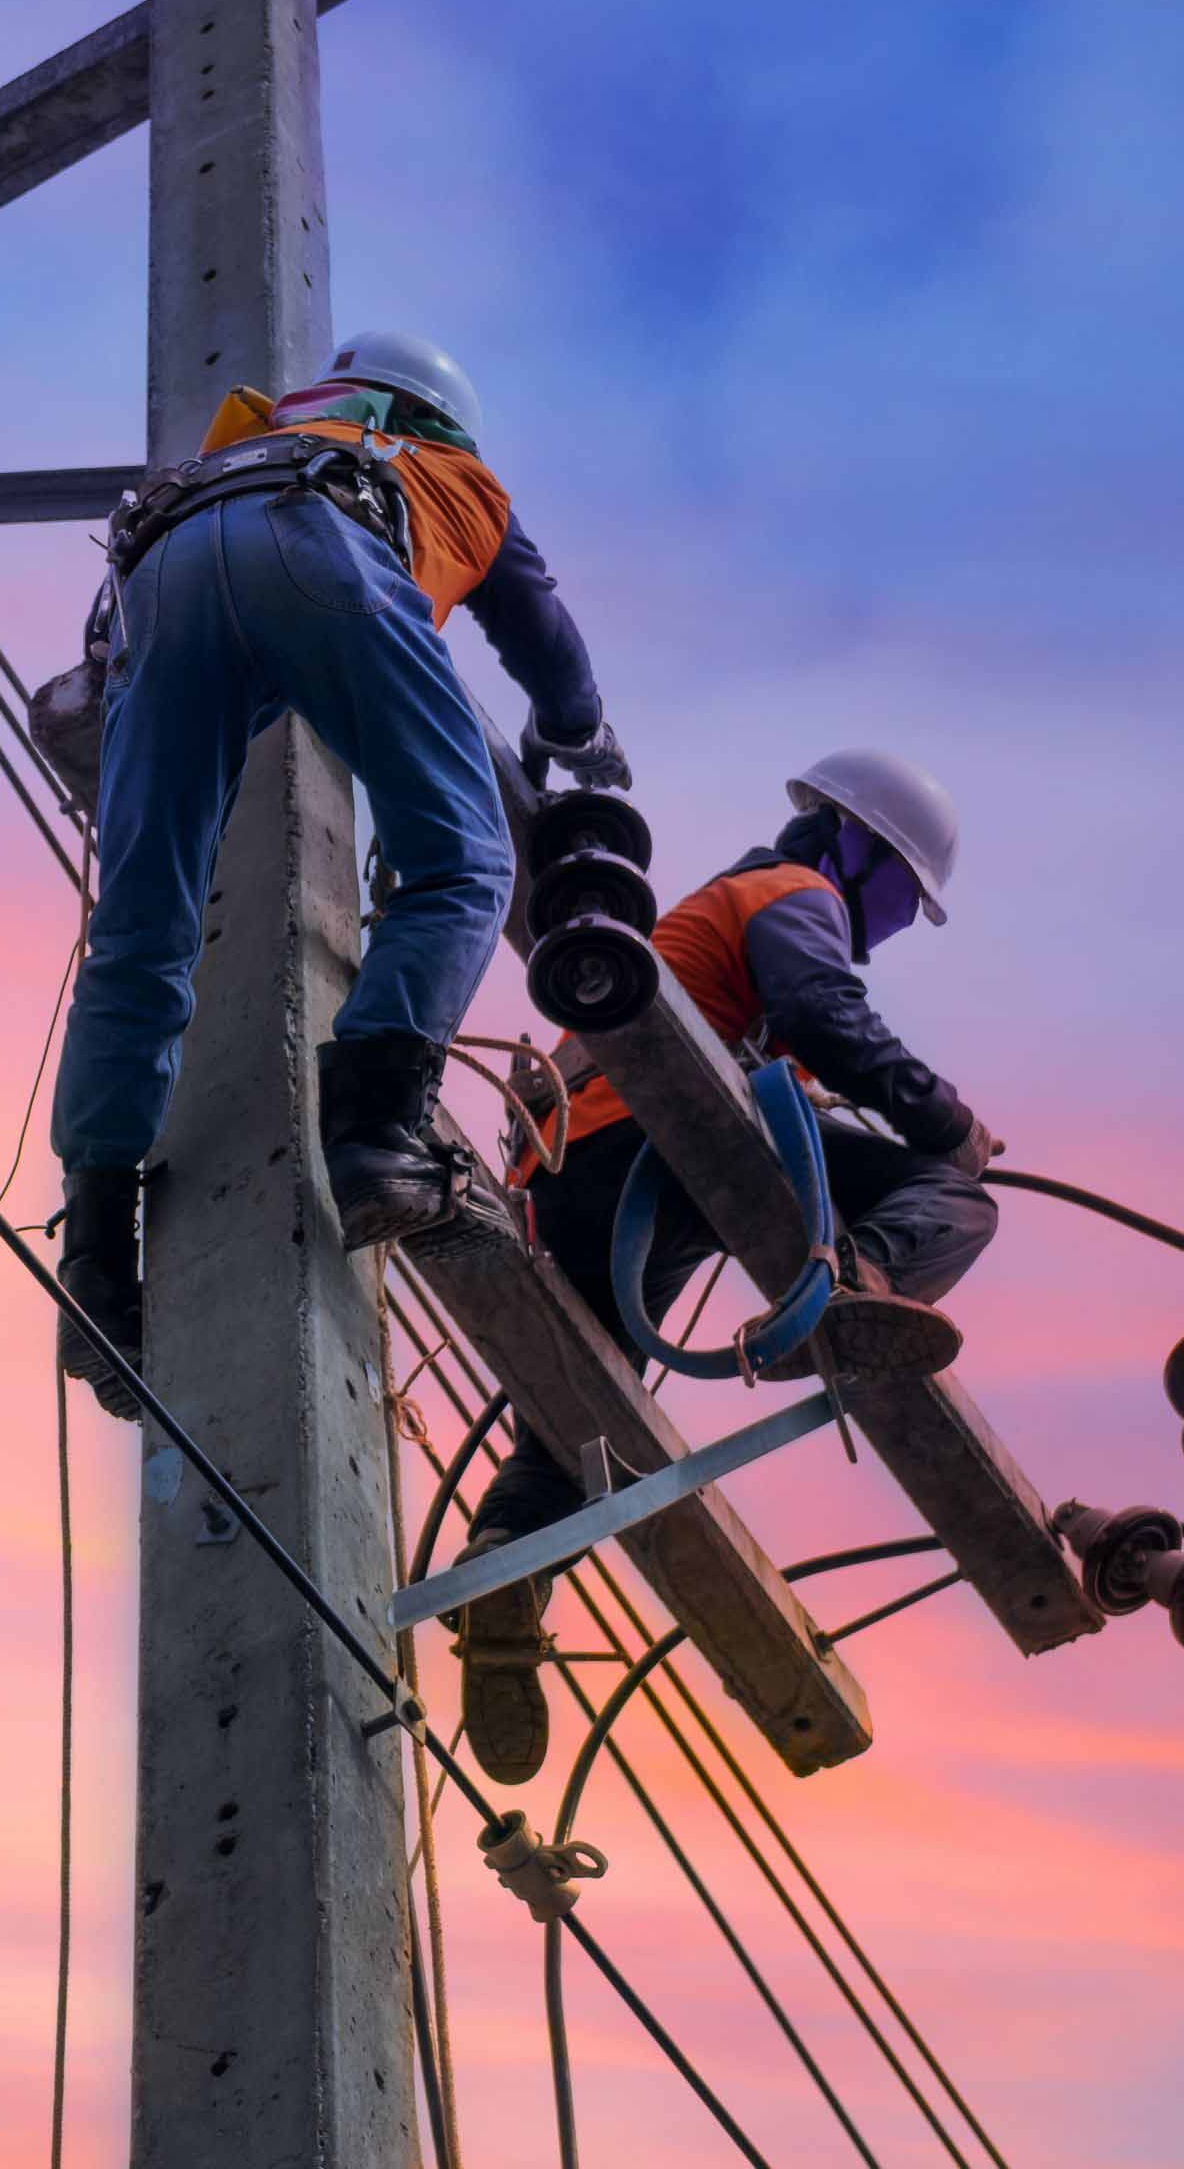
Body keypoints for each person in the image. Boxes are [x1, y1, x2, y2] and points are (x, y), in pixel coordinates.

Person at [43, 326, 626, 1419]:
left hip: (164, 569)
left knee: (139, 931)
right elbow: (541, 634)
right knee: (463, 855)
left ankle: (96, 1257)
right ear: (442, 418)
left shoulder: (258, 433)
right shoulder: (453, 474)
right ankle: (375, 1138)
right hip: (321, 539)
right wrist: (582, 735)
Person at [451, 748, 999, 1781]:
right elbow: (823, 1015)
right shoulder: (792, 893)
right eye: (898, 896)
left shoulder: (721, 921)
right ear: (857, 847)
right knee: (957, 1199)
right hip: (655, 1139)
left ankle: (507, 1577)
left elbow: (783, 1039)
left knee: (584, 1420)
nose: (888, 925)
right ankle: (855, 1292)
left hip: (567, 1168)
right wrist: (946, 1118)